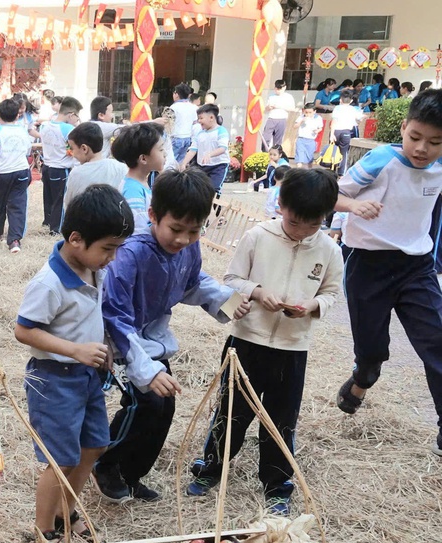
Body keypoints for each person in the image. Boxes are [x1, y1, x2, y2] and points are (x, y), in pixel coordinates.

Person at [189, 168, 343, 515]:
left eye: (312, 224)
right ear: (281, 205)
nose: (302, 232)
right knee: (230, 410)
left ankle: (277, 485)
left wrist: (313, 306)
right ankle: (211, 467)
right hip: (245, 342)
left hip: (292, 347)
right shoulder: (258, 236)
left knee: (281, 419)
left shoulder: (330, 251)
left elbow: (332, 292)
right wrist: (258, 292)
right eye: (294, 222)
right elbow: (231, 278)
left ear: (326, 215)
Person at [93, 169, 250, 502]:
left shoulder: (189, 249)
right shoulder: (131, 254)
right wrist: (146, 371)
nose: (183, 239)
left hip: (152, 342)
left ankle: (132, 474)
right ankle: (105, 463)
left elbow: (193, 284)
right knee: (144, 401)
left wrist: (229, 299)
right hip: (119, 346)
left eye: (194, 230)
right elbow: (114, 316)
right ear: (153, 215)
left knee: (164, 406)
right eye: (176, 229)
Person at [15, 185, 134, 540]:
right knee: (60, 458)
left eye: (117, 249)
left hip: (87, 375)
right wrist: (75, 350)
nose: (112, 258)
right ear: (77, 239)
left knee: (95, 444)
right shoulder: (49, 283)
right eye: (108, 249)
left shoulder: (93, 269)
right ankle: (43, 530)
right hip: (54, 380)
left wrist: (100, 348)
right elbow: (24, 331)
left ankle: (66, 511)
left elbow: (89, 316)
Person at [332, 89, 442, 458]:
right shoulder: (383, 159)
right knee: (373, 351)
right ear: (404, 127)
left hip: (416, 267)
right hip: (368, 266)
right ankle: (363, 379)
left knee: (437, 343)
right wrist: (354, 205)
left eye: (435, 142)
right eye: (415, 137)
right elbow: (329, 193)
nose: (423, 148)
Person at [0, 98, 36, 253]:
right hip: (21, 172)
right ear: (17, 115)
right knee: (18, 206)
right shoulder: (22, 131)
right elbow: (27, 151)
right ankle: (14, 240)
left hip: (1, 174)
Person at [112, 122, 166, 234]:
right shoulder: (133, 190)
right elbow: (138, 230)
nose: (165, 153)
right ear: (143, 159)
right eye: (161, 150)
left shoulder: (139, 182)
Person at [39, 97, 82, 235]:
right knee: (60, 199)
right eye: (77, 116)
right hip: (60, 168)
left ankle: (48, 221)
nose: (77, 119)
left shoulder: (44, 125)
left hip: (46, 166)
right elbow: (71, 151)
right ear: (71, 115)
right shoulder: (69, 129)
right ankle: (56, 228)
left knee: (48, 196)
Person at [63, 122, 127, 206]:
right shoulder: (121, 167)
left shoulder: (77, 173)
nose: (73, 154)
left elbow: (69, 204)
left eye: (72, 148)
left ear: (84, 148)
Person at [181, 104, 230, 192]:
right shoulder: (199, 133)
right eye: (198, 118)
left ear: (211, 117)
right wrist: (184, 163)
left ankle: (214, 205)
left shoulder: (221, 131)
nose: (199, 121)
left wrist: (210, 154)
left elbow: (222, 148)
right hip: (202, 166)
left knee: (214, 189)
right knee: (199, 189)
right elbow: (193, 150)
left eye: (201, 118)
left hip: (218, 165)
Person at [331, 90, 363, 175]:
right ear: (351, 101)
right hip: (346, 131)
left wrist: (331, 134)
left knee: (334, 150)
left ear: (340, 100)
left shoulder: (337, 108)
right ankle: (341, 173)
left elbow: (333, 121)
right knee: (344, 152)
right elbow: (359, 119)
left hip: (336, 131)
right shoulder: (353, 109)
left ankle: (332, 170)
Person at [262, 79, 297, 152]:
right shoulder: (271, 96)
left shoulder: (288, 97)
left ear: (284, 88)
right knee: (266, 137)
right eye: (276, 88)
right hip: (271, 118)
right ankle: (264, 152)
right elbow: (265, 109)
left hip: (282, 118)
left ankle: (276, 154)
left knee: (278, 139)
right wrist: (269, 107)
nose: (278, 90)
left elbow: (292, 108)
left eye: (279, 89)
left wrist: (279, 106)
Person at [170, 83, 198, 164]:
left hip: (175, 138)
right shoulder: (194, 108)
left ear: (177, 94)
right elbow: (195, 123)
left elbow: (168, 124)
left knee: (170, 164)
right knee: (181, 163)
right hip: (187, 139)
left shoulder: (173, 108)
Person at [293, 102, 323, 167]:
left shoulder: (318, 118)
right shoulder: (301, 117)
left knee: (310, 158)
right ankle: (298, 170)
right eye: (306, 112)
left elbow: (320, 128)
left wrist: (317, 131)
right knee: (299, 157)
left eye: (310, 112)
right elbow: (295, 126)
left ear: (314, 111)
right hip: (301, 139)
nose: (308, 114)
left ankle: (309, 171)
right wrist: (301, 121)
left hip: (311, 140)